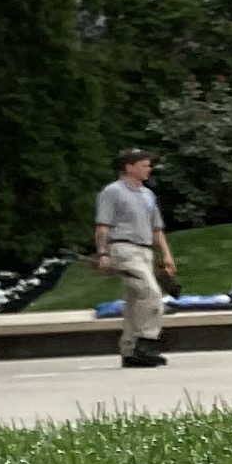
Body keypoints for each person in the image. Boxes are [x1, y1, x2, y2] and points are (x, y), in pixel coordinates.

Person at [95, 148, 175, 368]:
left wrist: (166, 254)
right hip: (123, 249)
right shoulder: (112, 192)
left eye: (148, 165)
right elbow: (103, 226)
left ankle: (129, 350)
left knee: (134, 300)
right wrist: (103, 252)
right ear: (129, 167)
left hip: (145, 250)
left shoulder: (148, 195)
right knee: (151, 293)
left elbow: (157, 228)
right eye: (143, 165)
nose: (148, 169)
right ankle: (147, 341)